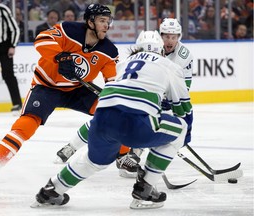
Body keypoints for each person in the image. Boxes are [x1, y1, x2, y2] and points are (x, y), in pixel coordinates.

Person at [33, 30, 192, 209]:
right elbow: (182, 109)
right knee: (181, 129)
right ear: (161, 50)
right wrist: (177, 135)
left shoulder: (123, 64)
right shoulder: (170, 66)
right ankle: (146, 188)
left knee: (93, 162)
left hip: (102, 119)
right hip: (136, 123)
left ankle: (52, 190)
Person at [0, 3, 118, 184]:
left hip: (77, 90)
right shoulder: (69, 30)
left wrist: (113, 95)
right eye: (102, 21)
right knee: (27, 124)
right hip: (47, 87)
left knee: (114, 114)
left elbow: (112, 80)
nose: (106, 25)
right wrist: (60, 56)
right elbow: (41, 39)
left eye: (108, 21)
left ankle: (123, 157)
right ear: (90, 21)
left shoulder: (109, 51)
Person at [54, 18, 194, 179]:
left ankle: (131, 155)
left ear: (179, 37)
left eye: (174, 36)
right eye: (166, 36)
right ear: (160, 36)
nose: (170, 40)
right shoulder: (139, 57)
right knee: (131, 118)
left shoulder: (183, 57)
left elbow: (183, 89)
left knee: (122, 118)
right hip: (143, 97)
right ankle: (72, 147)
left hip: (159, 96)